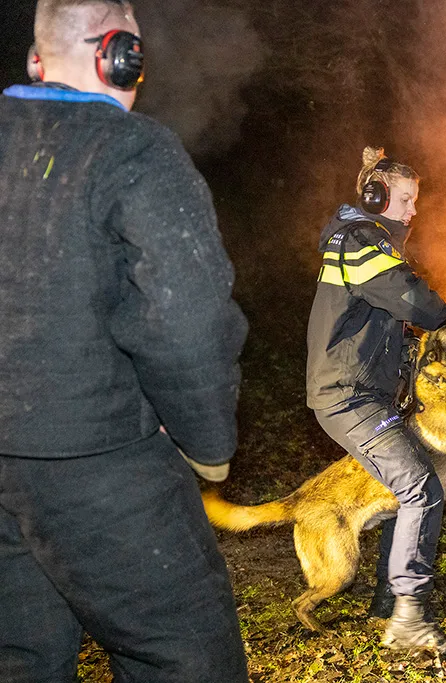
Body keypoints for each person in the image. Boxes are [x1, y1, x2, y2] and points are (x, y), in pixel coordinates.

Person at [0, 1, 249, 682]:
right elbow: (187, 314)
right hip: (99, 462)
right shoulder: (134, 150)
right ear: (120, 55)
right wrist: (208, 443)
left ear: (35, 59)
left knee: (20, 661)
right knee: (187, 657)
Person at [306, 146, 446, 656]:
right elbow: (410, 297)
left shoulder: (366, 240)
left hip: (361, 394)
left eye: (415, 200)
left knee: (409, 485)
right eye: (405, 199)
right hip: (347, 398)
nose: (413, 210)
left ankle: (386, 604)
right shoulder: (359, 242)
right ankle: (409, 618)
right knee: (421, 487)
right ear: (375, 196)